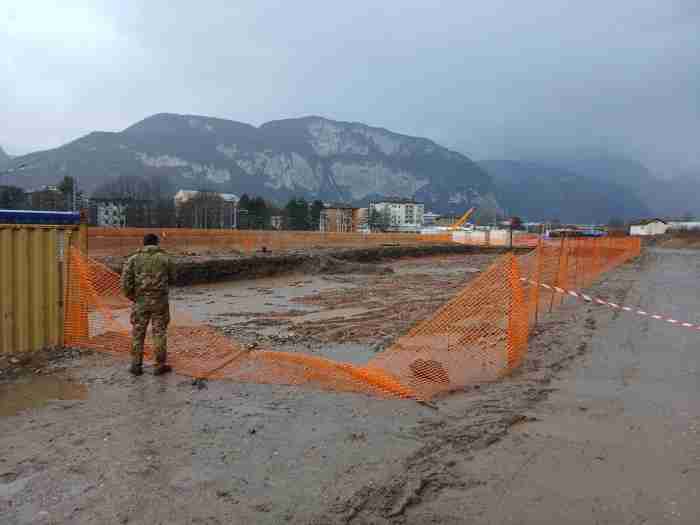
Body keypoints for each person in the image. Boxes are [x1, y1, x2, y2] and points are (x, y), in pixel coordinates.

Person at [120, 234, 176, 376]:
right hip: (160, 303)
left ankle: (136, 365)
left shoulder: (133, 259)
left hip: (140, 302)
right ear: (157, 243)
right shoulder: (165, 259)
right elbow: (174, 277)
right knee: (159, 333)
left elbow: (125, 283)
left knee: (138, 333)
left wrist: (134, 297)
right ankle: (159, 366)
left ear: (143, 244)